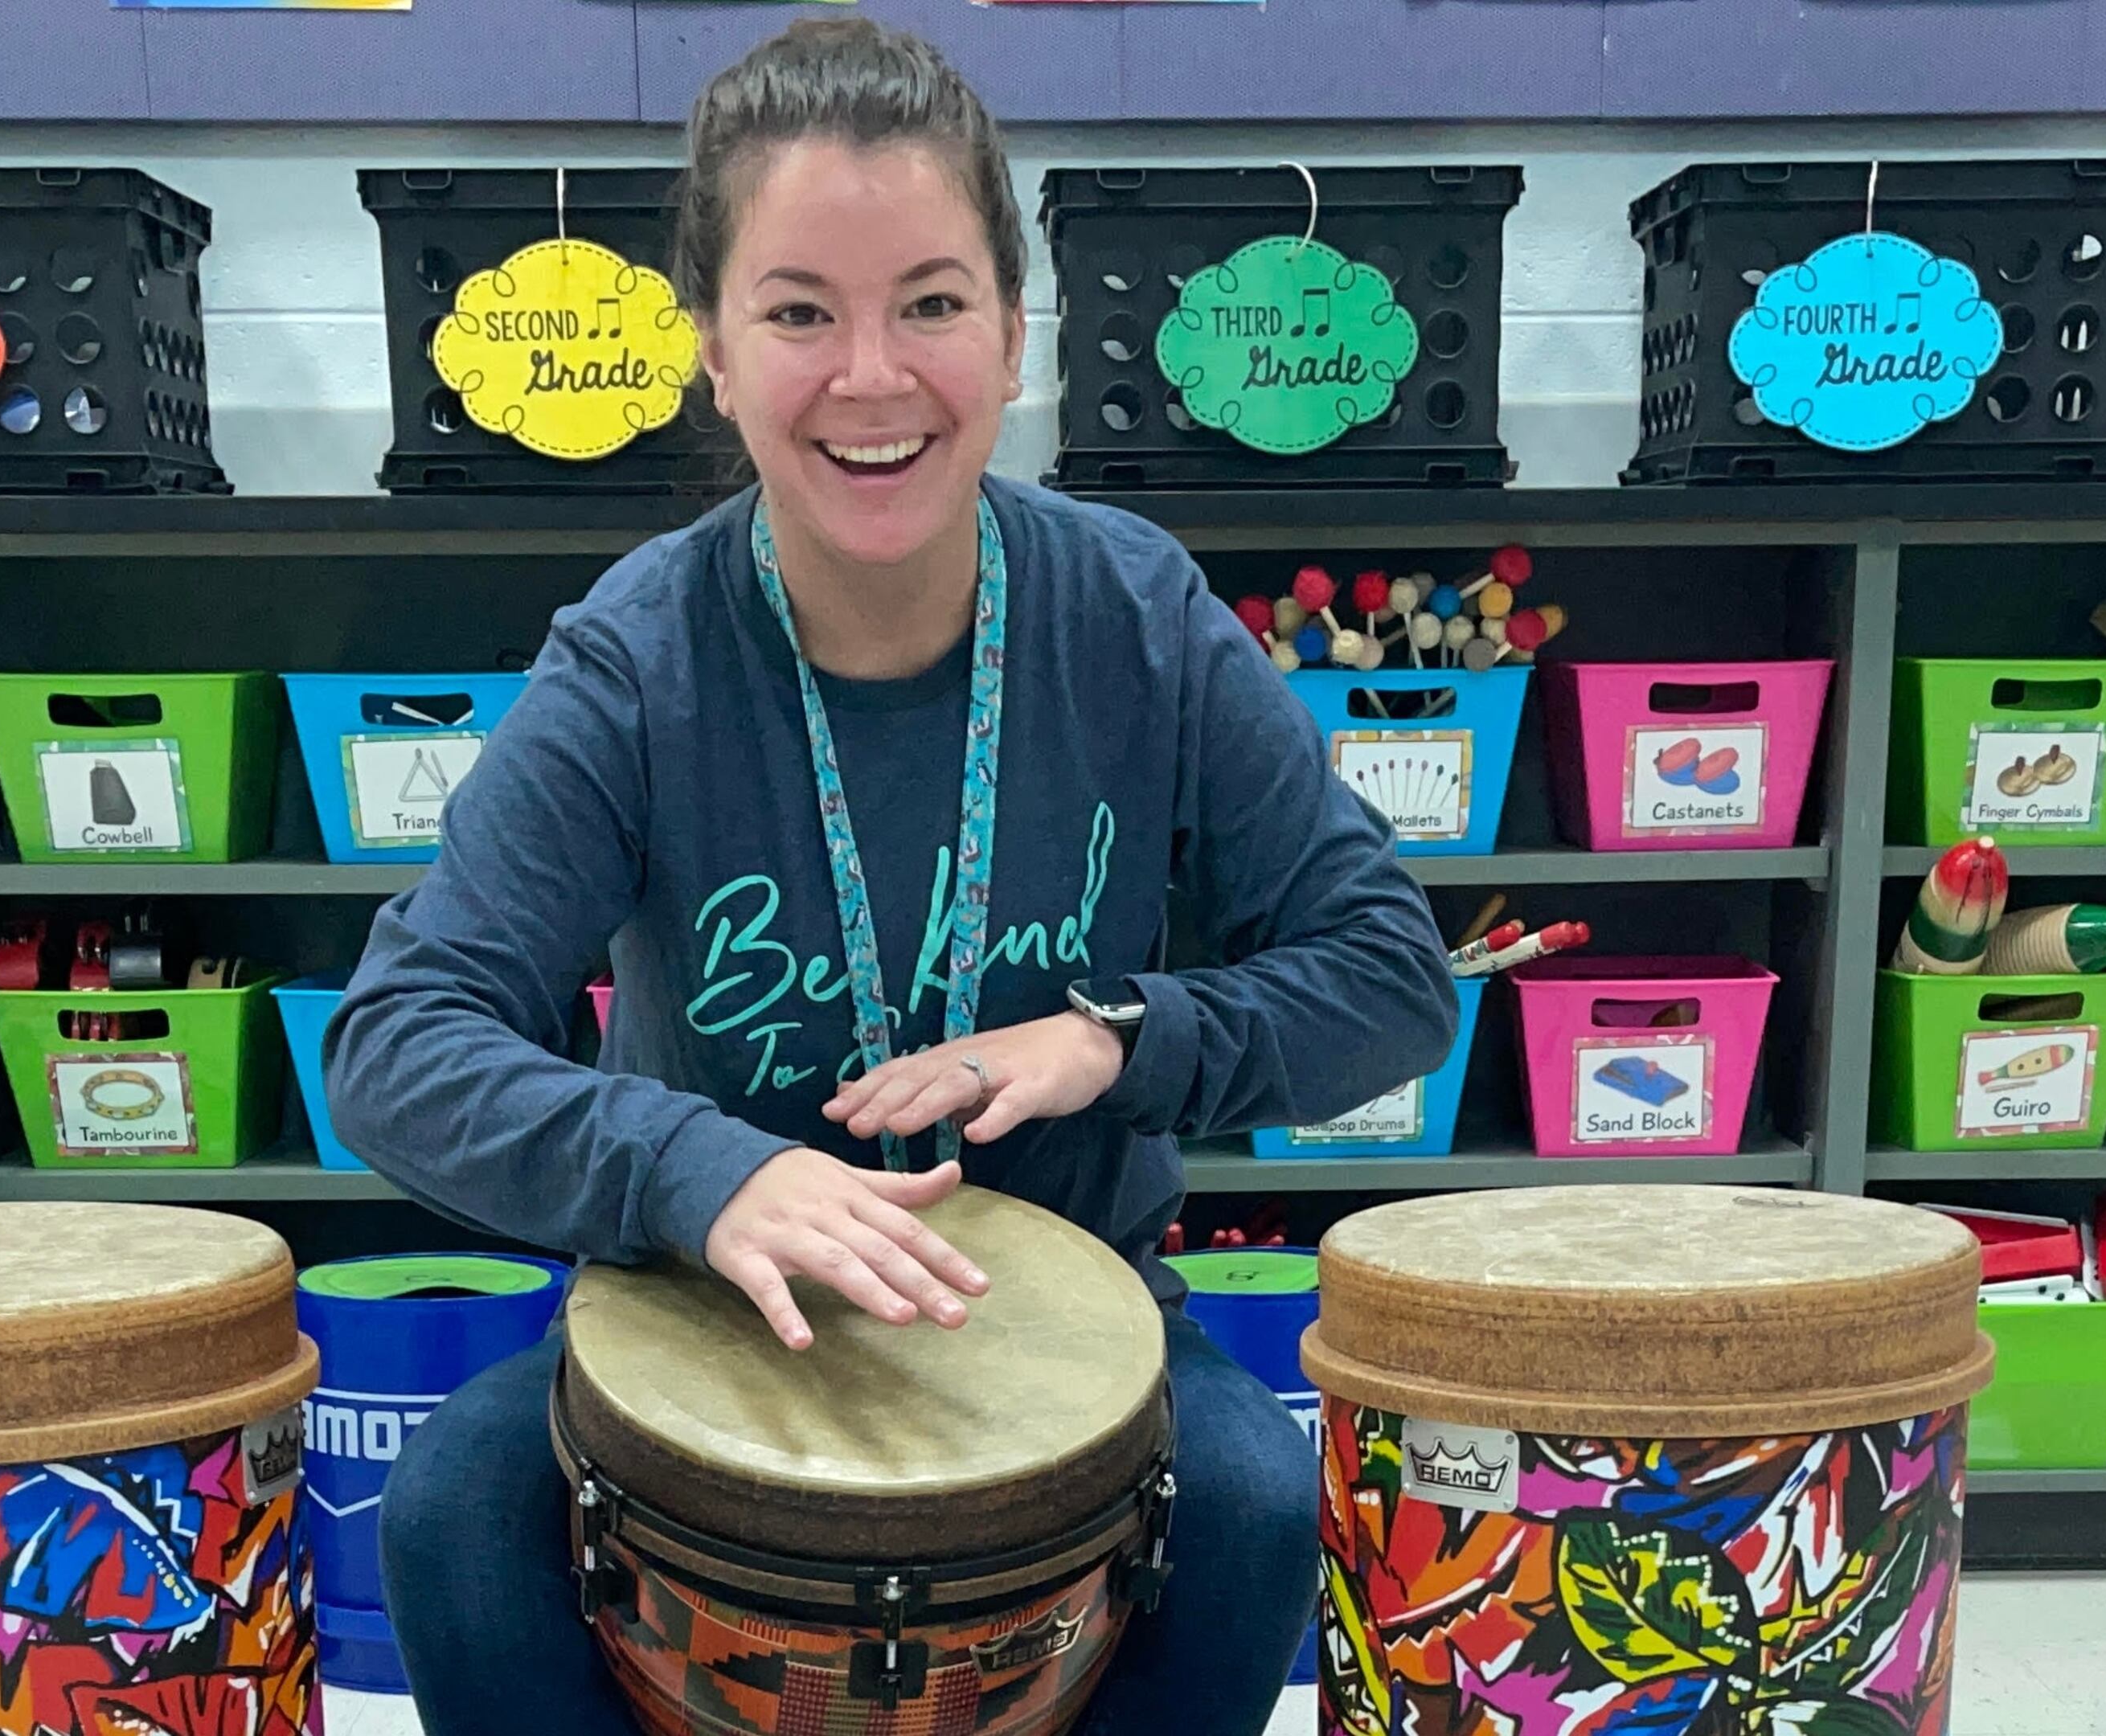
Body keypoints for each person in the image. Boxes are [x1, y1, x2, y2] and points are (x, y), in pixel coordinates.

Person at [325, 18, 1456, 1734]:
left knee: (1252, 1507)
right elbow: (397, 1044)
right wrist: (697, 1171)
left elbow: (1392, 974)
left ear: (1015, 335)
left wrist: (1115, 1036)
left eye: (930, 303)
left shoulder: (1134, 614)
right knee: (458, 1520)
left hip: (1074, 1301)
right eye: (799, 312)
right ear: (712, 349)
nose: (871, 377)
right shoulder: (636, 656)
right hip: (706, 1307)